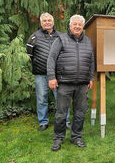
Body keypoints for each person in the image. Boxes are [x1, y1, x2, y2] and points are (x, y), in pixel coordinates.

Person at [47, 14, 94, 151]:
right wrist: (51, 77)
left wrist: (91, 77)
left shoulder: (87, 41)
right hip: (65, 82)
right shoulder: (61, 39)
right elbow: (51, 59)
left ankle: (76, 137)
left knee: (80, 112)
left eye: (80, 24)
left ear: (83, 27)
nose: (77, 26)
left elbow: (91, 61)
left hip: (82, 83)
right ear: (70, 26)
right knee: (61, 113)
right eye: (75, 24)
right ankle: (58, 139)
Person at [26, 12, 70, 131]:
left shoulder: (61, 36)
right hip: (41, 74)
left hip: (58, 74)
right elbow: (29, 54)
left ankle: (65, 121)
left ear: (53, 22)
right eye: (44, 21)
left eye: (49, 20)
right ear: (41, 23)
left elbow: (66, 53)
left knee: (61, 98)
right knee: (41, 99)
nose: (47, 22)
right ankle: (43, 122)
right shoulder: (34, 37)